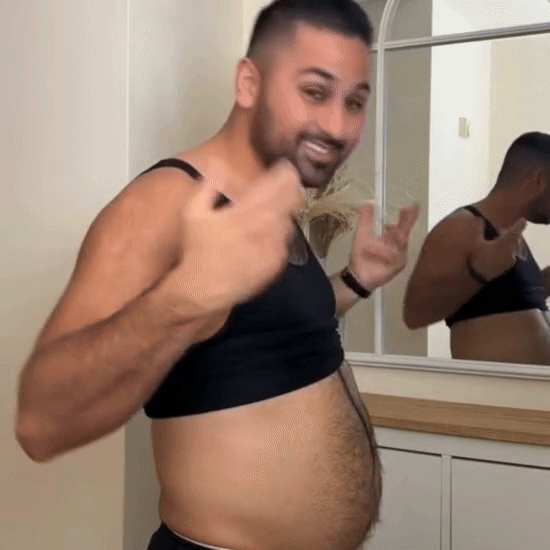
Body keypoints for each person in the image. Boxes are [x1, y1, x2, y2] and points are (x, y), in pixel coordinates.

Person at [15, 1, 419, 549]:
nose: (337, 126)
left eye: (355, 102)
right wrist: (183, 298)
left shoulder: (266, 202)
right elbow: (39, 423)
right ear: (249, 83)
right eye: (314, 92)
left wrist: (356, 281)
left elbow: (271, 333)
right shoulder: (163, 204)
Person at [404, 132, 550, 366]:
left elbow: (510, 302)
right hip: (492, 389)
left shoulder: (511, 235)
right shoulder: (461, 227)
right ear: (538, 180)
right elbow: (414, 314)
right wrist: (479, 273)